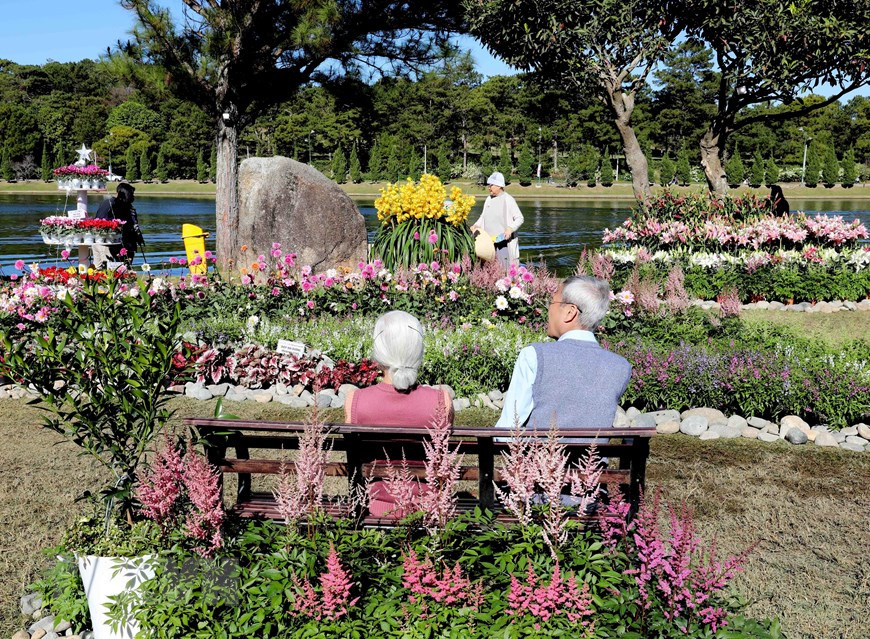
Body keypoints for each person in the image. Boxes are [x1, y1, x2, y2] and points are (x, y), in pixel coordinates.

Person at [344, 310, 453, 518]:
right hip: (429, 511)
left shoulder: (355, 401)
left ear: (379, 352)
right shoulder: (442, 401)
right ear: (418, 349)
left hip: (374, 509)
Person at [496, 275, 632, 432]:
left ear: (569, 312)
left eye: (552, 302)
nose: (549, 309)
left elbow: (507, 430)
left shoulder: (534, 356)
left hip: (543, 456)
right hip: (592, 457)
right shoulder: (621, 367)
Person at [470, 171, 524, 268]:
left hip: (503, 242)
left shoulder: (508, 199)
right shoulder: (488, 199)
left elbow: (520, 218)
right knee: (487, 269)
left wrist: (510, 228)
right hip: (487, 243)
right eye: (489, 185)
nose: (489, 187)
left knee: (505, 269)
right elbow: (483, 216)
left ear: (499, 186)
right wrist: (475, 226)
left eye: (491, 185)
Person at [93, 182, 144, 266]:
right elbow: (99, 222)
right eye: (131, 194)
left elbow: (134, 224)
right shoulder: (109, 204)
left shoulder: (129, 207)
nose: (133, 197)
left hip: (127, 245)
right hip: (108, 244)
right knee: (106, 270)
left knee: (124, 270)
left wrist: (137, 236)